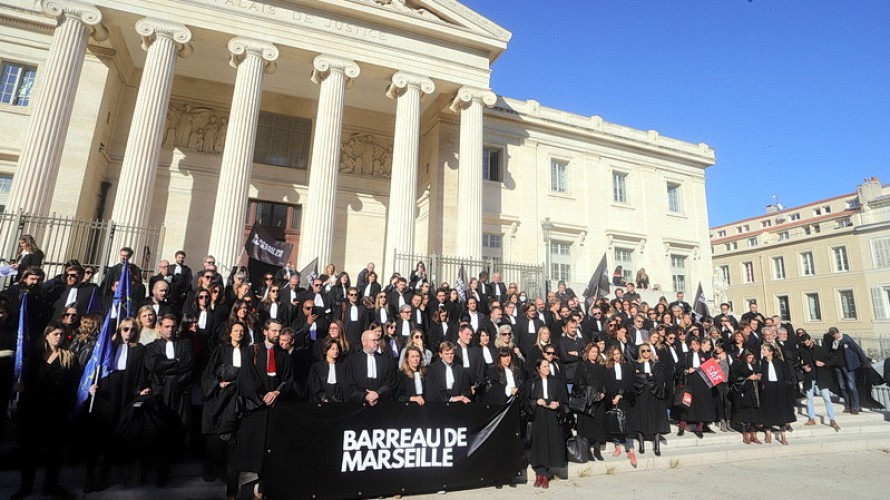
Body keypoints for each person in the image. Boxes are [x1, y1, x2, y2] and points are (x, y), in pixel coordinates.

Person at [12, 323, 81, 500]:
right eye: (55, 333)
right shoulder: (32, 358)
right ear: (46, 336)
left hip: (57, 411)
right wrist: (19, 387)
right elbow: (23, 378)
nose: (59, 337)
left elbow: (76, 383)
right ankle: (26, 486)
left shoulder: (70, 358)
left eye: (62, 334)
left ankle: (51, 486)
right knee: (29, 451)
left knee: (55, 451)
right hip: (32, 411)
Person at [231, 319, 293, 496]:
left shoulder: (284, 355)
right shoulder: (252, 351)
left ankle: (266, 488)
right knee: (251, 448)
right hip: (256, 408)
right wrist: (262, 397)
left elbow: (288, 379)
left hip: (275, 408)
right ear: (265, 331)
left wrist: (277, 393)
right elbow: (247, 377)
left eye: (279, 331)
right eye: (273, 331)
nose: (277, 334)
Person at [87, 316, 149, 492]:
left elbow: (140, 373)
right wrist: (90, 385)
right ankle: (89, 477)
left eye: (133, 330)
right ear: (119, 330)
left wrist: (140, 389)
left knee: (116, 435)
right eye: (125, 329)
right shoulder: (108, 347)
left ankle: (103, 476)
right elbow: (94, 367)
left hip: (124, 395)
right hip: (105, 395)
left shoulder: (139, 349)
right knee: (98, 435)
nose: (129, 332)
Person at [144, 314, 195, 485]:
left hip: (180, 389)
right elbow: (154, 365)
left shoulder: (185, 344)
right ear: (160, 327)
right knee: (160, 426)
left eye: (173, 326)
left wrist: (168, 368)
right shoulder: (152, 347)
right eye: (166, 326)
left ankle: (177, 456)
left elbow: (189, 365)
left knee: (181, 423)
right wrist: (175, 363)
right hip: (161, 391)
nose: (170, 329)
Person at [201, 321, 249, 497]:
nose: (239, 333)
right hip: (222, 397)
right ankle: (215, 469)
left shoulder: (248, 351)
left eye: (242, 331)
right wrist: (219, 383)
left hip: (240, 397)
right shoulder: (221, 350)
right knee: (217, 434)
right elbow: (210, 373)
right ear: (230, 333)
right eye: (236, 331)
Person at [527, 357, 567, 489]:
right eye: (544, 366)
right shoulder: (533, 382)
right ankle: (541, 473)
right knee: (540, 443)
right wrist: (536, 402)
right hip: (538, 415)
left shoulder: (556, 381)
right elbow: (526, 400)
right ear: (538, 368)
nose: (547, 369)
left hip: (552, 415)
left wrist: (558, 404)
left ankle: (543, 474)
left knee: (551, 443)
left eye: (548, 366)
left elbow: (564, 399)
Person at [628, 342, 670, 456]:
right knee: (640, 416)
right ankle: (641, 443)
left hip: (654, 394)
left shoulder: (656, 364)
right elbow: (635, 379)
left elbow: (660, 378)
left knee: (655, 417)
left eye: (648, 350)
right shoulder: (635, 364)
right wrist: (648, 376)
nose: (646, 352)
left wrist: (644, 376)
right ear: (640, 353)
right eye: (643, 351)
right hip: (641, 394)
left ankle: (657, 445)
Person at [798, 333, 840, 431]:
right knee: (809, 398)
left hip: (821, 376)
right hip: (809, 376)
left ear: (811, 340)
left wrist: (824, 364)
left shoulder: (820, 349)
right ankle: (812, 418)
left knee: (826, 398)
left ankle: (832, 419)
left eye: (807, 341)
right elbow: (797, 362)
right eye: (804, 342)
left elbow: (833, 359)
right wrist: (803, 367)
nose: (806, 344)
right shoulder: (802, 350)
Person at [604, 345, 637, 466]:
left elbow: (629, 383)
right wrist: (612, 398)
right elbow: (606, 384)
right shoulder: (607, 368)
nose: (616, 356)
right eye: (614, 354)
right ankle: (617, 445)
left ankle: (631, 450)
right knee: (615, 422)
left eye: (618, 354)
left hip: (624, 398)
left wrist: (621, 395)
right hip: (612, 398)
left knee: (627, 423)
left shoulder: (627, 366)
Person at [676, 337, 716, 438]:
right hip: (690, 382)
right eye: (693, 344)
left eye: (697, 344)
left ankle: (699, 428)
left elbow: (711, 370)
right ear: (690, 345)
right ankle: (682, 427)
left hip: (703, 384)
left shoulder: (706, 356)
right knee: (687, 403)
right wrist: (687, 370)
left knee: (702, 404)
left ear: (700, 345)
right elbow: (679, 369)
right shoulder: (686, 355)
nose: (695, 346)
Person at [344, 329, 396, 404]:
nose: (377, 343)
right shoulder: (351, 361)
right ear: (364, 342)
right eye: (374, 340)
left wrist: (378, 393)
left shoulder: (387, 361)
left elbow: (390, 382)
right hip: (358, 405)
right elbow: (348, 383)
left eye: (377, 340)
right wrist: (364, 395)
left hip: (381, 403)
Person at [575, 342, 607, 461]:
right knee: (587, 424)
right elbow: (579, 383)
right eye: (592, 352)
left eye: (596, 352)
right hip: (587, 400)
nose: (594, 354)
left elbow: (605, 382)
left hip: (599, 400)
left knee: (599, 424)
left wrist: (602, 393)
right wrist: (591, 394)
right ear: (587, 353)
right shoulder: (582, 365)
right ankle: (587, 449)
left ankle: (597, 449)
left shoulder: (601, 367)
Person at [758, 344, 795, 445]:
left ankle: (783, 434)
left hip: (780, 387)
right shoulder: (761, 363)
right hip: (767, 388)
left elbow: (786, 375)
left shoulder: (779, 362)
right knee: (768, 410)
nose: (763, 351)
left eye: (765, 350)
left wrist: (786, 386)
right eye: (762, 350)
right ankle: (768, 432)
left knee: (781, 410)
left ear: (771, 352)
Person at [828, 326, 870, 414]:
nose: (835, 337)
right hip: (838, 366)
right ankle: (848, 404)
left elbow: (857, 349)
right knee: (842, 386)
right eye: (833, 336)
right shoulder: (833, 342)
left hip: (847, 366)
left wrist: (865, 361)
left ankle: (855, 406)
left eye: (835, 335)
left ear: (838, 332)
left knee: (851, 386)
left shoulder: (846, 339)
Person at [730, 350, 762, 444]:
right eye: (749, 358)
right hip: (743, 391)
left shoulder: (754, 364)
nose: (750, 359)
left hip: (753, 391)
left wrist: (758, 375)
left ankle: (753, 433)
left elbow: (758, 372)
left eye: (752, 358)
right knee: (745, 413)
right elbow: (734, 378)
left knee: (753, 413)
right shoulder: (737, 364)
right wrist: (748, 378)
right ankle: (746, 433)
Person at [308, 338, 346, 403]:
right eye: (332, 349)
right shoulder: (317, 367)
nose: (336, 351)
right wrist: (323, 397)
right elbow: (315, 385)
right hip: (322, 400)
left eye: (337, 349)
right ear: (326, 351)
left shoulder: (342, 366)